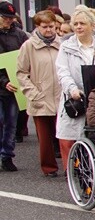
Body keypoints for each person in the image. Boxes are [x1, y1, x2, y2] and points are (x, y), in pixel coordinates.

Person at [55, 8, 95, 170]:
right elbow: (63, 72)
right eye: (75, 24)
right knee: (72, 137)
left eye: (82, 23)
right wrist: (72, 89)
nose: (78, 27)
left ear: (92, 25)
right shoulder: (66, 47)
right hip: (77, 98)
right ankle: (74, 172)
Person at [16, 10, 62, 176]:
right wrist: (33, 94)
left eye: (51, 26)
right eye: (44, 27)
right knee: (44, 138)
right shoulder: (28, 46)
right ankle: (49, 167)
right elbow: (21, 73)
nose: (49, 30)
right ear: (37, 27)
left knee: (64, 136)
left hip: (60, 96)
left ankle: (71, 166)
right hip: (40, 97)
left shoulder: (62, 44)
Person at [1, 0, 30, 172]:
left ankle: (7, 156)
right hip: (3, 84)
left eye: (11, 18)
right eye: (5, 17)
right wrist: (4, 82)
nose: (9, 20)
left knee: (11, 123)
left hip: (14, 86)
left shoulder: (20, 35)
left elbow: (28, 57)